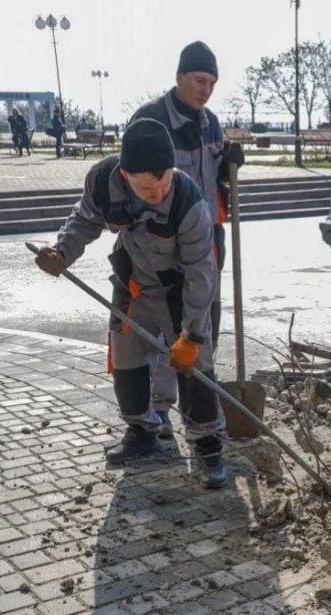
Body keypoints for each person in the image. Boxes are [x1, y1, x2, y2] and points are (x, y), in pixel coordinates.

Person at [32, 118, 227, 488]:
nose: (157, 194)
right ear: (125, 174)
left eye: (164, 183)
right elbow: (83, 221)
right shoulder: (103, 183)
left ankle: (207, 443)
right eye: (147, 189)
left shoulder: (188, 201)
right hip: (133, 283)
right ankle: (142, 432)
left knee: (195, 365)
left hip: (177, 290)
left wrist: (194, 334)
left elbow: (202, 271)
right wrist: (62, 252)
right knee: (126, 357)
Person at [130, 40, 244, 437]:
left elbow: (213, 180)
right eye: (199, 80)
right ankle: (159, 408)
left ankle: (201, 418)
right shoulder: (150, 121)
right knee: (164, 329)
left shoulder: (210, 122)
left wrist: (228, 160)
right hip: (159, 243)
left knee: (200, 327)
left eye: (212, 82)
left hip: (206, 237)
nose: (206, 89)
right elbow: (135, 182)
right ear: (179, 77)